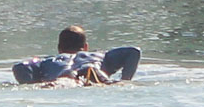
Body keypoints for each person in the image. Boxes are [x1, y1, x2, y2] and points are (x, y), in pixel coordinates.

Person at [11, 25, 141, 86]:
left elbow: (20, 66)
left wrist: (34, 84)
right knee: (96, 76)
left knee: (62, 82)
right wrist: (125, 81)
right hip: (93, 72)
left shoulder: (47, 61)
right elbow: (134, 51)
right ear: (85, 47)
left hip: (62, 78)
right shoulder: (100, 55)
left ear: (59, 48)